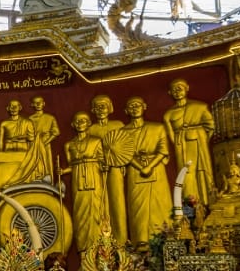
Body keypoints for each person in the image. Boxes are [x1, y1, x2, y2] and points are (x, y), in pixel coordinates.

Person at [122, 96, 172, 247]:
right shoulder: (123, 132)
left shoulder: (157, 128)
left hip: (156, 168)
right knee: (138, 206)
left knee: (159, 204)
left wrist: (149, 166)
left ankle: (163, 238)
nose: (135, 108)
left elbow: (163, 150)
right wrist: (140, 166)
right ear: (126, 111)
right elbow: (124, 154)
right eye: (131, 106)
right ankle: (140, 240)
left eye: (137, 105)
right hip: (135, 170)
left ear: (144, 106)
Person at [163, 78, 215, 205]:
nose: (177, 92)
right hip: (181, 145)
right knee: (186, 173)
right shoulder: (168, 114)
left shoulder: (199, 107)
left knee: (202, 171)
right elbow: (171, 135)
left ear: (187, 88)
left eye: (180, 88)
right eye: (174, 90)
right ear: (170, 93)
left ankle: (207, 201)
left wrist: (201, 138)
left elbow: (210, 126)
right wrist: (180, 142)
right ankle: (191, 203)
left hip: (198, 141)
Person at [63, 111, 107, 255]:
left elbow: (102, 161)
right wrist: (62, 171)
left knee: (96, 211)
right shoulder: (69, 145)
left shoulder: (96, 141)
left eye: (83, 120)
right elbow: (71, 165)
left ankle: (99, 250)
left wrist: (104, 166)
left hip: (94, 179)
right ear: (73, 125)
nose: (80, 123)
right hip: (78, 181)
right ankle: (83, 251)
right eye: (77, 121)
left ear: (89, 124)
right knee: (80, 214)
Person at [89, 95, 127, 245]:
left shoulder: (118, 125)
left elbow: (126, 146)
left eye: (103, 106)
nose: (100, 109)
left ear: (110, 108)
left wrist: (122, 163)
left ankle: (121, 241)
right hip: (98, 169)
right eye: (97, 106)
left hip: (116, 166)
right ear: (93, 110)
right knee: (101, 203)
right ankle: (103, 242)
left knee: (117, 202)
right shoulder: (91, 129)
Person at [28, 95, 60, 181]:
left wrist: (45, 142)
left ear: (44, 103)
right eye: (36, 103)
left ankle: (48, 182)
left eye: (40, 102)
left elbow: (56, 132)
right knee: (34, 163)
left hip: (46, 143)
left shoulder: (50, 118)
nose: (38, 104)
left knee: (46, 163)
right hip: (33, 145)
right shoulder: (29, 119)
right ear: (32, 104)